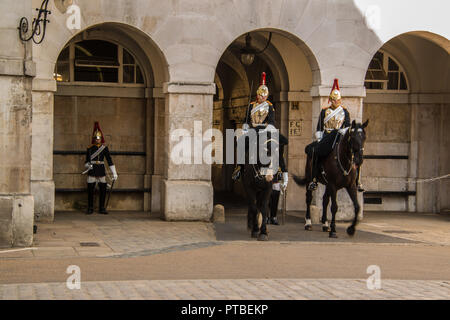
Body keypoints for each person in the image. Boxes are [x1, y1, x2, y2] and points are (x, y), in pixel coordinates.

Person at [305, 78, 364, 192]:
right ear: (330, 100)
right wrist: (319, 137)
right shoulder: (324, 111)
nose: (336, 102)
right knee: (315, 152)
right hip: (326, 137)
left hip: (339, 137)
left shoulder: (345, 111)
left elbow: (347, 125)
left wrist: (342, 132)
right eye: (334, 100)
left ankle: (357, 181)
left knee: (356, 153)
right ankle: (314, 179)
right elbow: (320, 126)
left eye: (338, 100)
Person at [232, 72, 277, 181]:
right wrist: (245, 128)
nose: (263, 98)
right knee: (241, 142)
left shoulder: (270, 106)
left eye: (265, 96)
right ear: (257, 95)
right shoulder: (251, 105)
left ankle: (279, 170)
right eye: (261, 95)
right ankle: (240, 167)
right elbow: (246, 119)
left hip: (265, 130)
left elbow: (271, 121)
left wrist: (268, 129)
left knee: (276, 146)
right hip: (252, 130)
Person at [84, 122, 118, 214]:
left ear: (101, 139)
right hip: (92, 170)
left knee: (103, 189)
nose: (97, 140)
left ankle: (102, 208)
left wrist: (114, 173)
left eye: (98, 138)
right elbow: (86, 162)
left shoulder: (104, 148)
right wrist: (88, 165)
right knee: (90, 190)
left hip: (101, 170)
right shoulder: (89, 148)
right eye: (96, 138)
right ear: (94, 139)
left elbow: (109, 160)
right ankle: (90, 207)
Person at [267, 133, 289, 225]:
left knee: (275, 194)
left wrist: (286, 178)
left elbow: (281, 161)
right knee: (266, 195)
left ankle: (273, 216)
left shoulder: (278, 143)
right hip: (264, 170)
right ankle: (265, 216)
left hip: (275, 171)